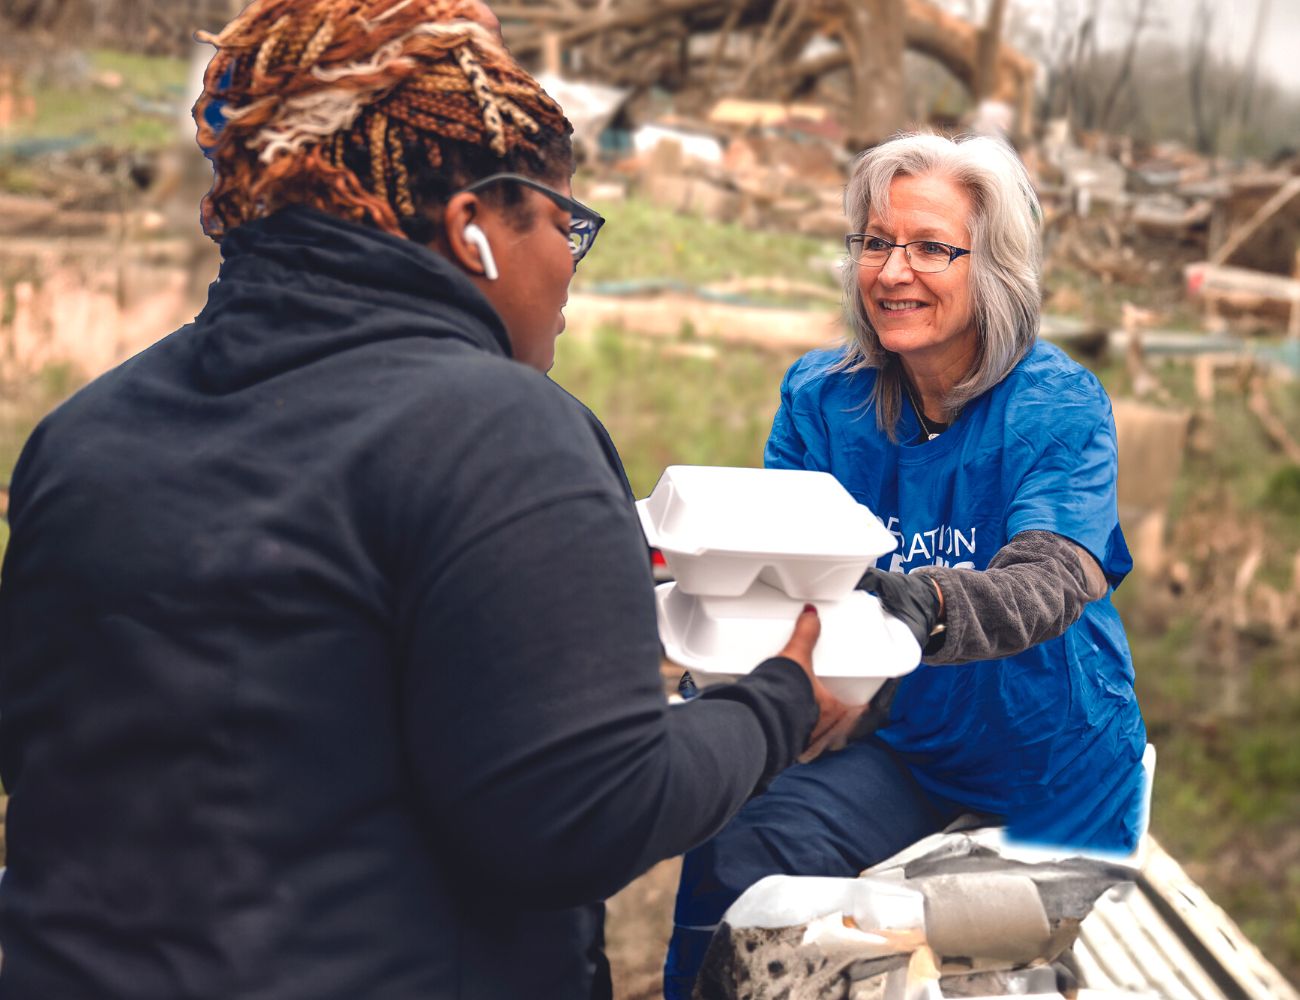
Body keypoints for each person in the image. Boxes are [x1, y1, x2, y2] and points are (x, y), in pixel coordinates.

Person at [0, 3, 864, 997]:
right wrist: (775, 701)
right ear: (474, 229)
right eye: (562, 223)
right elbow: (585, 815)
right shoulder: (503, 434)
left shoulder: (80, 435)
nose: (569, 271)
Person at [664, 132, 1148, 997]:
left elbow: (1052, 577)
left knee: (980, 973)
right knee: (743, 847)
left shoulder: (1058, 406)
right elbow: (785, 577)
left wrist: (916, 605)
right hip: (908, 744)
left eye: (931, 247)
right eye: (876, 242)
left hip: (1049, 770)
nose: (893, 272)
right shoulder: (821, 399)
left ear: (992, 266)